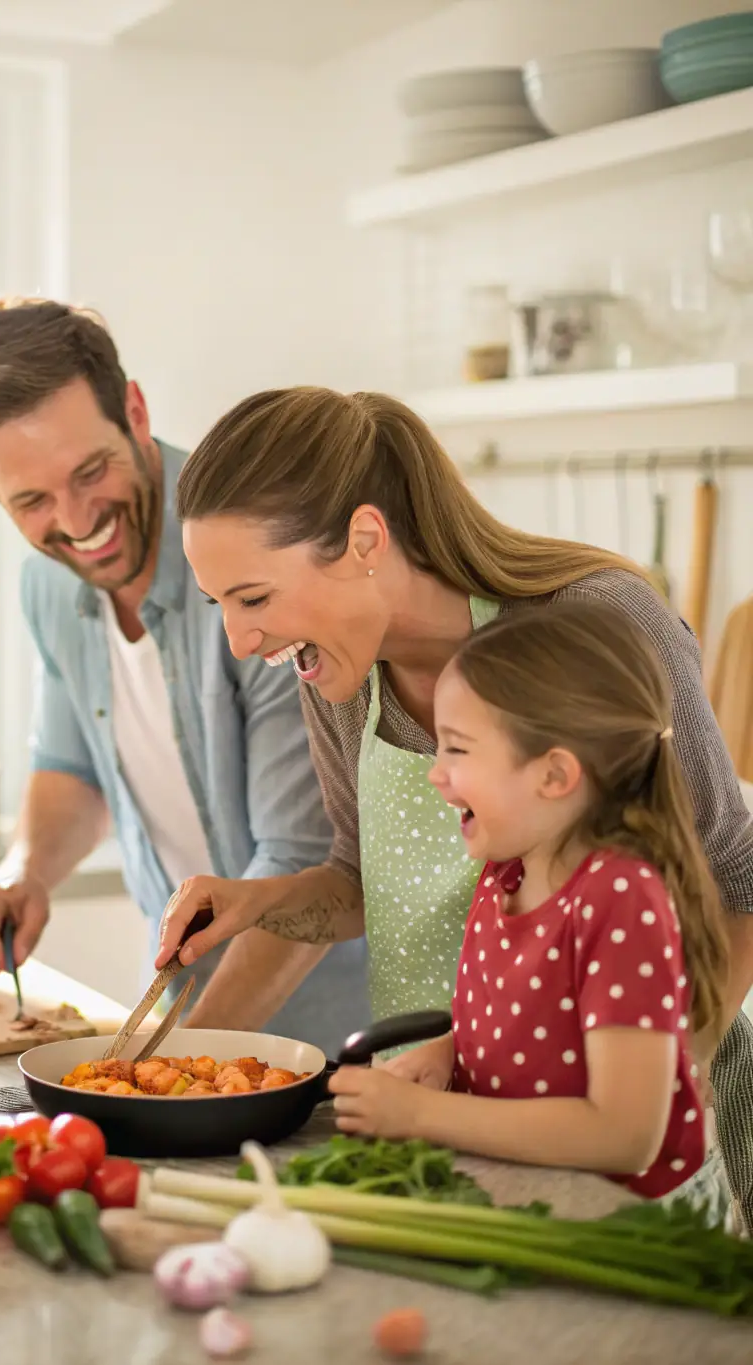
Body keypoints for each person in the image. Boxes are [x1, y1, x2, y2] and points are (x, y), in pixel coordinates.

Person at [157, 385, 753, 1227]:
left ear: (365, 540)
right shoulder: (334, 673)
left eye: (254, 598)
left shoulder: (597, 623)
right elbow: (361, 881)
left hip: (623, 1133)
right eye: (220, 604)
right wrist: (259, 902)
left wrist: (653, 1086)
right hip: (454, 1122)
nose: (240, 642)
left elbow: (737, 881)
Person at [0, 304, 370, 1055]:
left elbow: (304, 857)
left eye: (90, 470)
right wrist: (27, 870)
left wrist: (173, 1064)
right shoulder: (50, 587)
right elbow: (72, 769)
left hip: (335, 1035)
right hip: (185, 1012)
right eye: (30, 500)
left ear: (134, 409)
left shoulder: (255, 561)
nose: (76, 518)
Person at [330, 600, 728, 1210]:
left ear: (554, 776)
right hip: (533, 1202)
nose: (436, 774)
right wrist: (446, 1055)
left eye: (457, 750)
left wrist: (425, 1114)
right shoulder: (505, 873)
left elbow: (624, 1136)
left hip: (622, 1234)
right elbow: (520, 1032)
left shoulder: (619, 899)